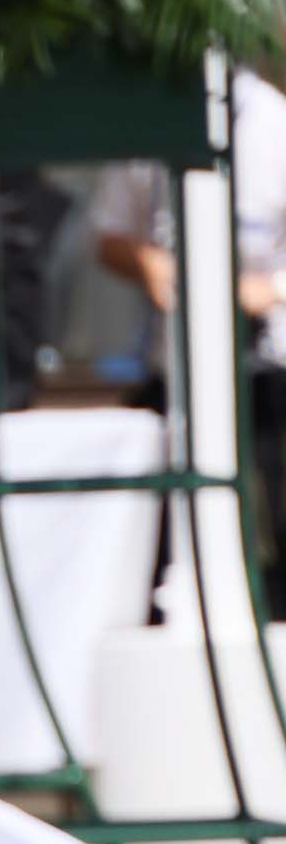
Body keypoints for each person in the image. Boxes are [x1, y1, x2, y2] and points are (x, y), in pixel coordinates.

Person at [93, 67, 286, 616]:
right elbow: (107, 238)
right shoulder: (150, 122)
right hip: (171, 368)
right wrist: (150, 263)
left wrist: (264, 288)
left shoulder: (274, 123)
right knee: (160, 530)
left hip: (267, 372)